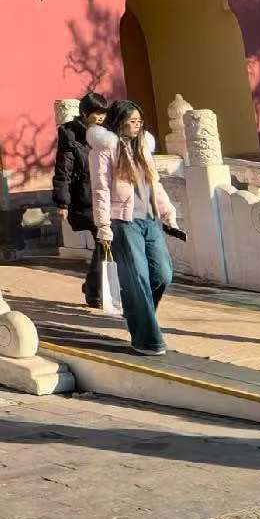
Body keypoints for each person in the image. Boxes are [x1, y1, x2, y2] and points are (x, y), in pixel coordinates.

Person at [88, 98, 180, 354]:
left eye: (140, 121)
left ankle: (136, 311)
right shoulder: (103, 150)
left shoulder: (142, 147)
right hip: (123, 222)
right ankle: (147, 341)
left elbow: (154, 183)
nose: (138, 125)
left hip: (150, 219)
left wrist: (167, 210)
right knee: (137, 279)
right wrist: (103, 225)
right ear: (119, 122)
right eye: (132, 121)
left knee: (162, 274)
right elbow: (100, 190)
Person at [54, 95, 111, 307]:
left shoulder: (107, 133)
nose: (101, 117)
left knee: (106, 242)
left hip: (106, 196)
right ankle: (94, 289)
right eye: (97, 113)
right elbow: (64, 170)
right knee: (104, 240)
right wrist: (62, 202)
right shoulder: (70, 134)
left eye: (103, 113)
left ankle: (93, 287)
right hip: (85, 197)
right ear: (85, 113)